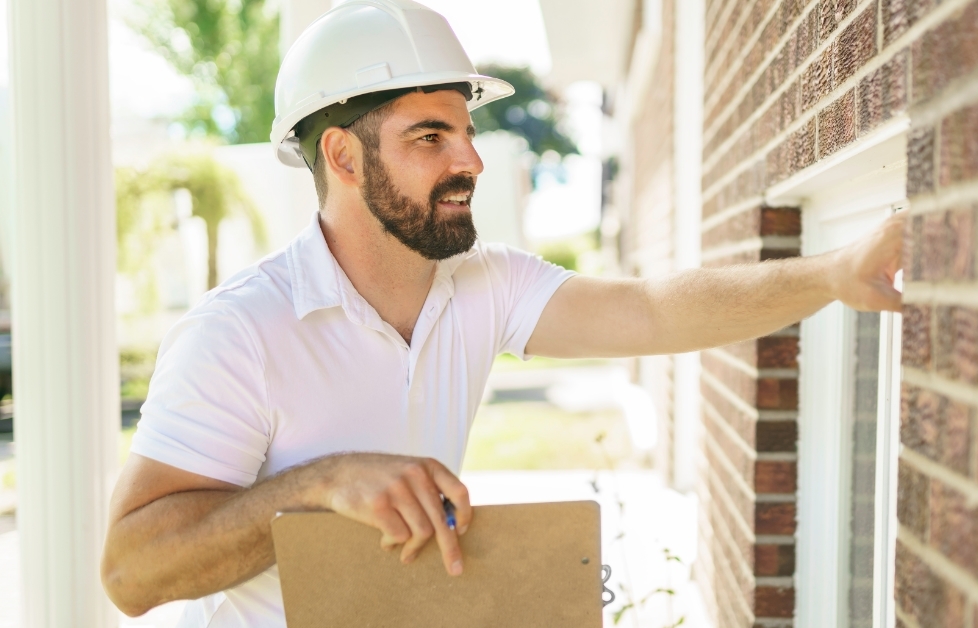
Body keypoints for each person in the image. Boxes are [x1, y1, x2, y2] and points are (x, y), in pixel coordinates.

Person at [100, 0, 903, 624]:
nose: (471, 159)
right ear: (343, 156)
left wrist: (833, 272)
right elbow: (132, 573)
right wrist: (322, 484)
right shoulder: (240, 333)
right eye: (429, 136)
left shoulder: (481, 286)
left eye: (466, 130)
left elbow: (654, 313)